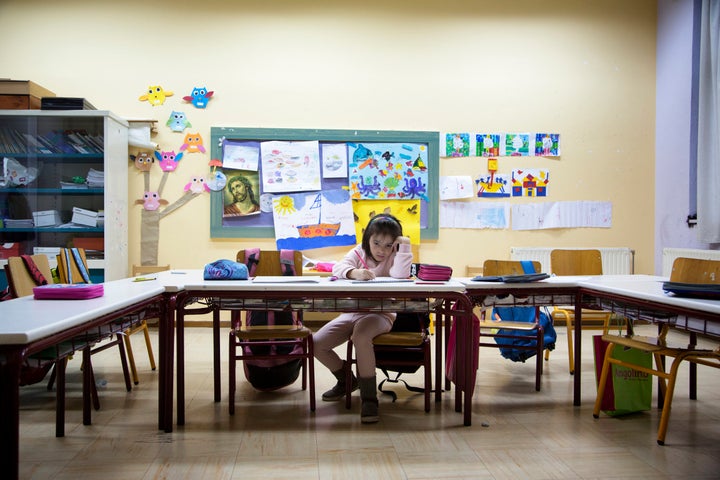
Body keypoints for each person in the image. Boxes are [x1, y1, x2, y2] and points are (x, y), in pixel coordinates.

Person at [313, 213, 412, 423]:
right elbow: (338, 268)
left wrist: (404, 247)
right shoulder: (358, 252)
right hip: (353, 311)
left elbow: (401, 275)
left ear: (394, 245)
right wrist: (353, 273)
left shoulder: (396, 255)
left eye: (388, 245)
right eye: (376, 243)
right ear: (367, 238)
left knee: (361, 337)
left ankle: (369, 398)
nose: (381, 250)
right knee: (316, 343)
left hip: (381, 313)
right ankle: (347, 382)